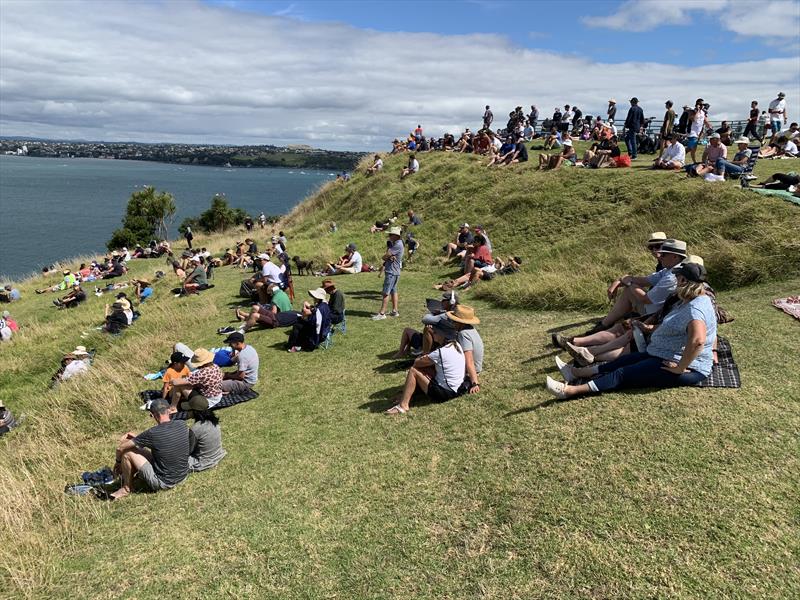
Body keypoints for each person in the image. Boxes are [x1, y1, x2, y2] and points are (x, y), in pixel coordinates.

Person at [546, 262, 717, 399]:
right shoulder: (689, 299)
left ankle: (570, 391)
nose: (675, 281)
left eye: (677, 278)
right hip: (664, 352)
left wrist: (681, 367)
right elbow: (680, 328)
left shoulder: (696, 309)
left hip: (687, 366)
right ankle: (575, 372)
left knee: (623, 373)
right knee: (624, 361)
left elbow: (698, 341)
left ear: (684, 282)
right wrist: (650, 328)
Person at [588, 239, 688, 334]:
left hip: (657, 313)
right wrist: (620, 281)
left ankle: (604, 325)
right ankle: (606, 324)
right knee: (631, 290)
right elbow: (645, 280)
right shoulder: (670, 269)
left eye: (663, 254)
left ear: (675, 257)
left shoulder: (672, 277)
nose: (659, 256)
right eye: (651, 248)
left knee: (629, 291)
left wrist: (629, 283)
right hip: (660, 308)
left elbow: (646, 299)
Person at [107, 398, 191, 500]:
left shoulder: (152, 433)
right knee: (133, 448)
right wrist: (138, 438)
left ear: (152, 414)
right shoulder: (181, 424)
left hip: (164, 482)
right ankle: (130, 477)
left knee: (127, 453)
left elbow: (120, 448)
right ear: (169, 410)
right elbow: (163, 442)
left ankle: (126, 488)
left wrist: (118, 462)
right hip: (182, 475)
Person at [385, 322, 465, 414]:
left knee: (413, 371)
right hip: (456, 388)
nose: (433, 333)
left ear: (442, 334)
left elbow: (416, 363)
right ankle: (405, 394)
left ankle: (403, 405)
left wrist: (424, 354)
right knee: (425, 369)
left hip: (445, 393)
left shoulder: (440, 352)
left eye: (435, 332)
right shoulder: (456, 345)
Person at [393, 292, 459, 358]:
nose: (441, 301)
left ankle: (423, 354)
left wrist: (432, 314)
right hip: (439, 341)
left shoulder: (446, 315)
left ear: (451, 302)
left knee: (423, 329)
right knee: (411, 330)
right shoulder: (454, 312)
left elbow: (425, 319)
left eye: (444, 300)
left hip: (441, 343)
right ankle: (406, 351)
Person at [447, 305, 484, 396]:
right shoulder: (470, 329)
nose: (452, 322)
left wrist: (474, 382)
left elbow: (469, 360)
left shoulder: (463, 334)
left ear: (460, 322)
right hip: (475, 368)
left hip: (470, 371)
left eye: (453, 320)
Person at [373, 227, 404, 320]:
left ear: (396, 236)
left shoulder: (397, 245)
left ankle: (382, 313)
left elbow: (386, 256)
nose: (389, 236)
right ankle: (395, 311)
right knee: (393, 291)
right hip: (395, 271)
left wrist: (387, 254)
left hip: (391, 272)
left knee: (386, 292)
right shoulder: (398, 243)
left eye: (391, 235)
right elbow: (389, 256)